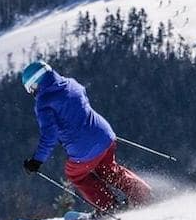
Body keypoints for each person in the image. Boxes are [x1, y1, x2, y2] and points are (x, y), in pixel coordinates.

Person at [21, 60, 152, 212]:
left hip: (83, 148)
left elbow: (49, 135)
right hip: (105, 135)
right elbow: (82, 101)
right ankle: (142, 194)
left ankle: (109, 206)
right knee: (108, 169)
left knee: (77, 175)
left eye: (31, 89)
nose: (34, 93)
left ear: (36, 84)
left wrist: (37, 161)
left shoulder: (44, 102)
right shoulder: (71, 83)